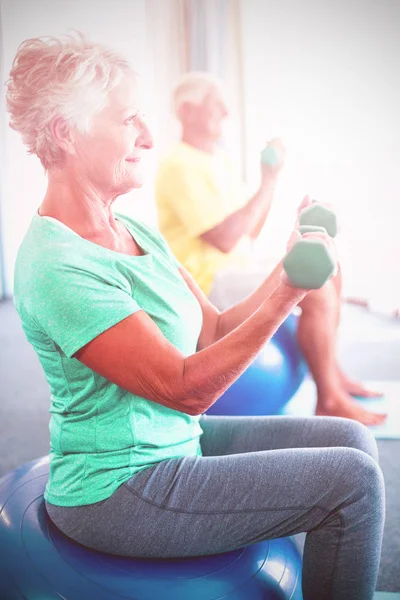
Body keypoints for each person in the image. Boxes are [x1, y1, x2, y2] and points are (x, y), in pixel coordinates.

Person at [8, 34, 385, 600]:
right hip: (119, 490)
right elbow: (186, 390)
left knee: (352, 441)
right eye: (129, 121)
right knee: (352, 483)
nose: (150, 137)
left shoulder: (134, 229)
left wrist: (284, 267)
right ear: (67, 131)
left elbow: (213, 330)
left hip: (176, 442)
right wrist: (287, 294)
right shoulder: (58, 266)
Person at [155, 71, 385, 426]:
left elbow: (249, 233)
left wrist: (272, 184)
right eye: (216, 106)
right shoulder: (178, 164)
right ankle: (329, 400)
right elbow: (225, 238)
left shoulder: (218, 160)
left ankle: (335, 379)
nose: (227, 114)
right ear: (187, 111)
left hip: (234, 270)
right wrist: (267, 181)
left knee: (330, 267)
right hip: (207, 282)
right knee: (318, 289)